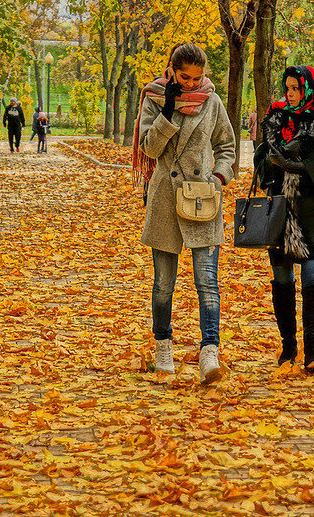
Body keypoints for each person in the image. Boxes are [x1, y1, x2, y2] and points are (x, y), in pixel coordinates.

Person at [133, 43, 235, 386]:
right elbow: (148, 147)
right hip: (165, 200)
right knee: (164, 285)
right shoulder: (155, 97)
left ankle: (210, 352)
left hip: (202, 199)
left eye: (198, 77)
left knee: (207, 282)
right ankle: (163, 346)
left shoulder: (213, 102)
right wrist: (170, 112)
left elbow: (227, 147)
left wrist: (218, 178)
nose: (192, 84)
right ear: (172, 71)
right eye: (184, 77)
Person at [254, 65, 314, 372]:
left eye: (296, 88)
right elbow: (261, 158)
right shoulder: (277, 118)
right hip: (281, 210)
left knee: (312, 276)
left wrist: (293, 160)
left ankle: (313, 351)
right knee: (282, 279)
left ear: (309, 89)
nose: (291, 94)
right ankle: (288, 348)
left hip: (312, 210)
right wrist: (271, 158)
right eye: (288, 88)